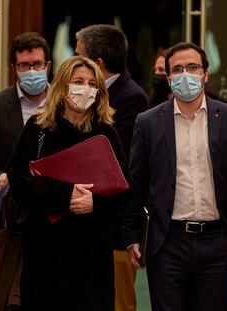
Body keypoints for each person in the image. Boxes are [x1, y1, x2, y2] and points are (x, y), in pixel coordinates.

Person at [123, 41, 227, 311]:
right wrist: (132, 235)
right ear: (168, 78)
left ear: (205, 74)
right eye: (177, 69)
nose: (185, 74)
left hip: (218, 240)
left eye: (192, 67)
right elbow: (137, 183)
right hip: (168, 242)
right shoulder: (147, 122)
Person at [7, 55, 130, 310]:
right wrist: (66, 196)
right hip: (45, 252)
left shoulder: (105, 132)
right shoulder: (38, 128)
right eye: (78, 81)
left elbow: (123, 191)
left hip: (92, 255)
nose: (85, 88)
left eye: (91, 83)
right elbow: (19, 180)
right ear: (62, 86)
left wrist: (93, 203)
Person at [0, 31, 51, 311]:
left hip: (53, 218)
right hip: (6, 218)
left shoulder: (64, 107)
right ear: (14, 68)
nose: (32, 71)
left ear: (48, 66)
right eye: (25, 66)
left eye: (37, 65)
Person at [75, 24, 149, 311]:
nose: (74, 62)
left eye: (80, 55)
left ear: (98, 63)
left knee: (118, 303)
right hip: (85, 222)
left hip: (113, 226)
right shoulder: (87, 94)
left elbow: (121, 165)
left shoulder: (130, 97)